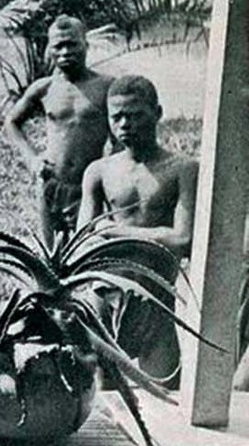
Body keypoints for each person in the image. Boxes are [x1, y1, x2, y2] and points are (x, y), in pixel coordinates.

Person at [77, 75, 198, 387]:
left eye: (135, 115)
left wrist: (114, 232)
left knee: (167, 395)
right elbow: (83, 239)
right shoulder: (100, 171)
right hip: (106, 295)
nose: (124, 124)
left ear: (157, 113)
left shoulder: (182, 169)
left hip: (156, 301)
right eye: (116, 116)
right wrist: (156, 234)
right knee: (107, 399)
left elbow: (183, 239)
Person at [4, 15, 114, 250]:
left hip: (89, 187)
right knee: (53, 256)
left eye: (72, 44)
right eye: (58, 46)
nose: (65, 52)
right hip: (50, 182)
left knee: (90, 251)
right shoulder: (44, 88)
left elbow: (120, 139)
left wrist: (110, 173)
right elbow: (12, 122)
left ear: (86, 44)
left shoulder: (106, 87)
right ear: (49, 49)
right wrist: (32, 159)